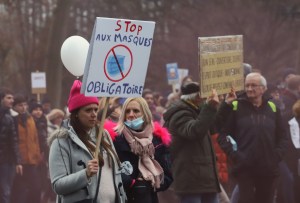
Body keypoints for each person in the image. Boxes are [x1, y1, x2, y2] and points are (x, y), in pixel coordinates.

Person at [48, 80, 126, 203]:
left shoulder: (104, 135)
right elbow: (58, 185)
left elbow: (116, 174)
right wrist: (85, 174)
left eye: (95, 109)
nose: (94, 114)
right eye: (88, 110)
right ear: (76, 114)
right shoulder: (61, 141)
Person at [218, 72, 288, 203]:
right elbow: (222, 135)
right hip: (244, 167)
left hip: (268, 168)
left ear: (263, 88)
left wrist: (276, 155)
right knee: (246, 199)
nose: (249, 89)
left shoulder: (273, 108)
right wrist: (235, 155)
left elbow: (283, 136)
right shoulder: (236, 106)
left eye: (254, 85)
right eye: (247, 85)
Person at [163, 82, 221, 203]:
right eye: (204, 97)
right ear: (197, 97)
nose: (206, 100)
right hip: (191, 181)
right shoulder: (180, 114)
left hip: (204, 179)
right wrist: (210, 107)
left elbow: (215, 125)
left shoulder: (197, 111)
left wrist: (225, 104)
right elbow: (194, 131)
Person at [113, 97, 173, 203]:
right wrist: (132, 182)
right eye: (127, 111)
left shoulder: (157, 140)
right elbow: (111, 172)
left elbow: (168, 176)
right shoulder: (115, 139)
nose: (131, 115)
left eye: (136, 111)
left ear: (144, 114)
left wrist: (149, 183)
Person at [11, 94, 43, 203]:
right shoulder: (12, 119)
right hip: (19, 161)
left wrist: (37, 155)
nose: (23, 108)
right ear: (14, 106)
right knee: (19, 190)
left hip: (32, 161)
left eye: (25, 105)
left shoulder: (30, 119)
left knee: (36, 188)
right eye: (20, 105)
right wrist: (16, 160)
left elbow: (35, 139)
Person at [0, 88, 21, 203]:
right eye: (9, 98)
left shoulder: (11, 117)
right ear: (2, 99)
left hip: (7, 160)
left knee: (6, 190)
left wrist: (17, 161)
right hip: (5, 160)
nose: (12, 100)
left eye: (12, 98)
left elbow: (14, 141)